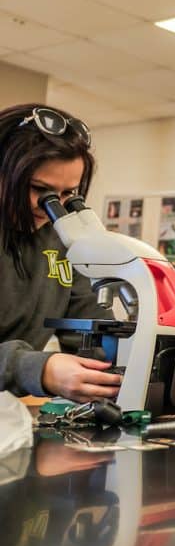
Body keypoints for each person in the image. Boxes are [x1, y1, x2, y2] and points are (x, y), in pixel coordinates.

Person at [0, 104, 119, 402]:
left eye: (67, 194)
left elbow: (91, 326)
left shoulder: (64, 241)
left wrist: (129, 361)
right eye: (39, 188)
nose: (48, 205)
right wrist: (35, 368)